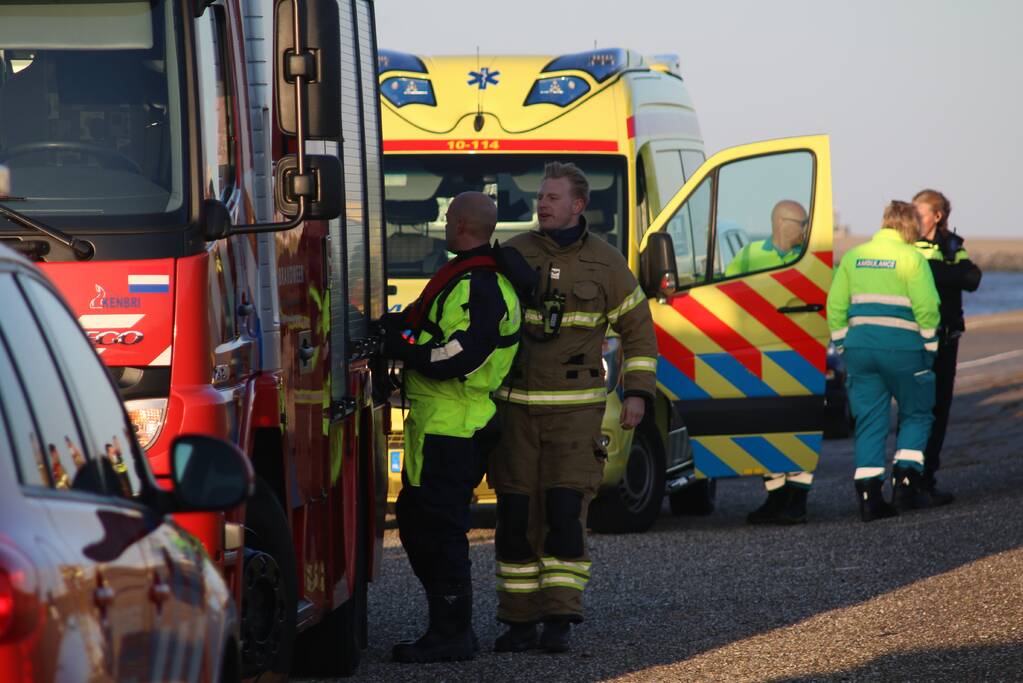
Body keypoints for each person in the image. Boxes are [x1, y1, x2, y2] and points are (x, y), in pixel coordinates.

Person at [489, 162, 657, 654]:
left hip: (576, 414)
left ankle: (559, 617)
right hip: (516, 411)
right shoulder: (514, 253)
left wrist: (638, 393)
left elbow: (638, 332)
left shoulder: (607, 263)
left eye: (554, 197)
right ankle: (519, 620)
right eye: (541, 196)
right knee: (516, 517)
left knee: (565, 512)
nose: (543, 204)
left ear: (578, 206)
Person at [380, 191, 531, 663]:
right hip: (440, 424)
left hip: (457, 426)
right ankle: (444, 627)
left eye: (449, 217)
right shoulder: (467, 278)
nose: (444, 223)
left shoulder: (480, 285)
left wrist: (403, 351)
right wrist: (388, 330)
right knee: (415, 521)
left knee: (441, 530)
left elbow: (461, 355)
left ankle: (452, 634)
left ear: (463, 224)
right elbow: (430, 332)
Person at [827, 200, 940, 522]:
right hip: (904, 350)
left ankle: (869, 496)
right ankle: (905, 483)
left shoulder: (853, 257)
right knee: (917, 414)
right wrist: (930, 347)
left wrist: (842, 345)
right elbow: (928, 308)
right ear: (909, 226)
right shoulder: (912, 259)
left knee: (869, 421)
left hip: (861, 350)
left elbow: (835, 306)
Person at [728, 200, 815, 525]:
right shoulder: (748, 256)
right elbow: (725, 294)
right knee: (763, 428)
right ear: (782, 223)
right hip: (756, 354)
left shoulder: (807, 259)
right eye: (801, 223)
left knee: (797, 426)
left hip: (797, 355)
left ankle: (798, 499)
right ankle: (776, 497)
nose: (806, 230)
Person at [906, 189, 982, 507]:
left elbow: (972, 277)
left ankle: (926, 479)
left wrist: (939, 273)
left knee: (939, 412)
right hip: (914, 341)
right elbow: (950, 276)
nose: (913, 220)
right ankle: (907, 480)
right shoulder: (908, 246)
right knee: (914, 412)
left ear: (937, 216)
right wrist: (947, 274)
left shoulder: (952, 245)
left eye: (919, 214)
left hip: (947, 339)